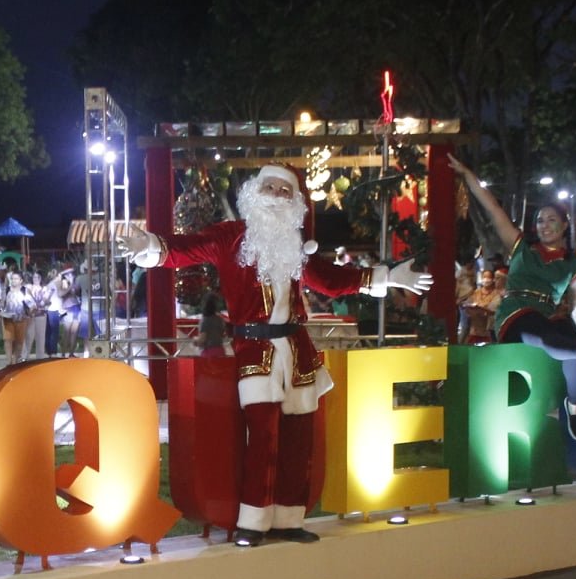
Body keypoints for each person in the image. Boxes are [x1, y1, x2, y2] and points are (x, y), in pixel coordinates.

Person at [122, 165, 431, 546]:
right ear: (254, 193)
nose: (277, 195)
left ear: (295, 202)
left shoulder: (293, 245)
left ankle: (289, 518)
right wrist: (150, 247)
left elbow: (329, 280)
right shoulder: (230, 237)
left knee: (298, 443)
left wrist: (387, 277)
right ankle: (253, 522)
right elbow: (185, 249)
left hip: (297, 352)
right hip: (256, 352)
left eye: (285, 191)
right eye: (270, 187)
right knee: (262, 439)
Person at [450, 154, 576, 439]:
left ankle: (575, 407)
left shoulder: (574, 266)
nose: (544, 225)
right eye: (540, 220)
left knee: (569, 338)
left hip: (549, 314)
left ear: (564, 225)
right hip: (517, 315)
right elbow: (493, 209)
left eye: (551, 220)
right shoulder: (521, 248)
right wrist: (468, 175)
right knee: (542, 331)